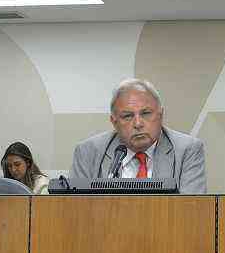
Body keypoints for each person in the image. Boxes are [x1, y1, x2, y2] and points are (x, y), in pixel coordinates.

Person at [70, 78, 207, 194]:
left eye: (146, 113)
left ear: (161, 115)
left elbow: (191, 210)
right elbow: (76, 211)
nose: (138, 123)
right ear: (114, 122)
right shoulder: (88, 152)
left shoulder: (187, 150)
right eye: (127, 116)